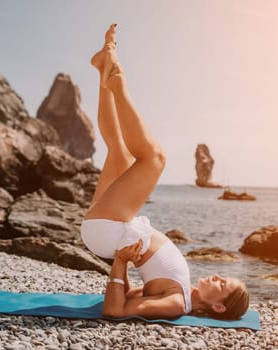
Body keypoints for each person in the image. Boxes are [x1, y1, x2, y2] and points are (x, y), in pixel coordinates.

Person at [81, 24, 249, 320]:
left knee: (154, 158)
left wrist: (120, 262)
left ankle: (117, 79)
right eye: (224, 277)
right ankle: (102, 70)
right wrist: (123, 264)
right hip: (108, 229)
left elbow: (114, 311)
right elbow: (127, 295)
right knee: (118, 151)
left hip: (109, 229)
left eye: (223, 285)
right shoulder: (180, 290)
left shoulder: (177, 303)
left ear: (218, 306)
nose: (218, 277)